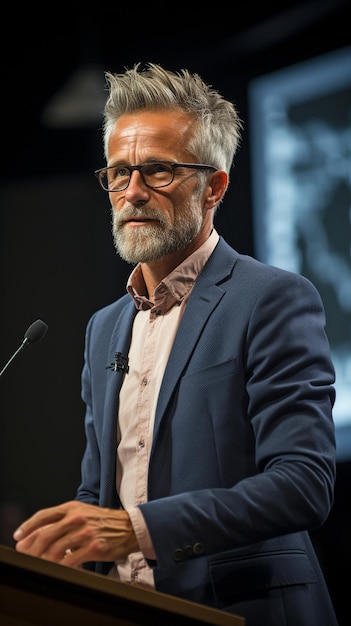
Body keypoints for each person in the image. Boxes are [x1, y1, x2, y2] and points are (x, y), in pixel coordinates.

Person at [13, 62, 338, 625]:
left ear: (214, 185)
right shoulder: (103, 327)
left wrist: (138, 529)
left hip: (242, 609)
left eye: (158, 171)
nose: (132, 192)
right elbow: (99, 494)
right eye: (118, 173)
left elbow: (302, 486)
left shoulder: (273, 298)